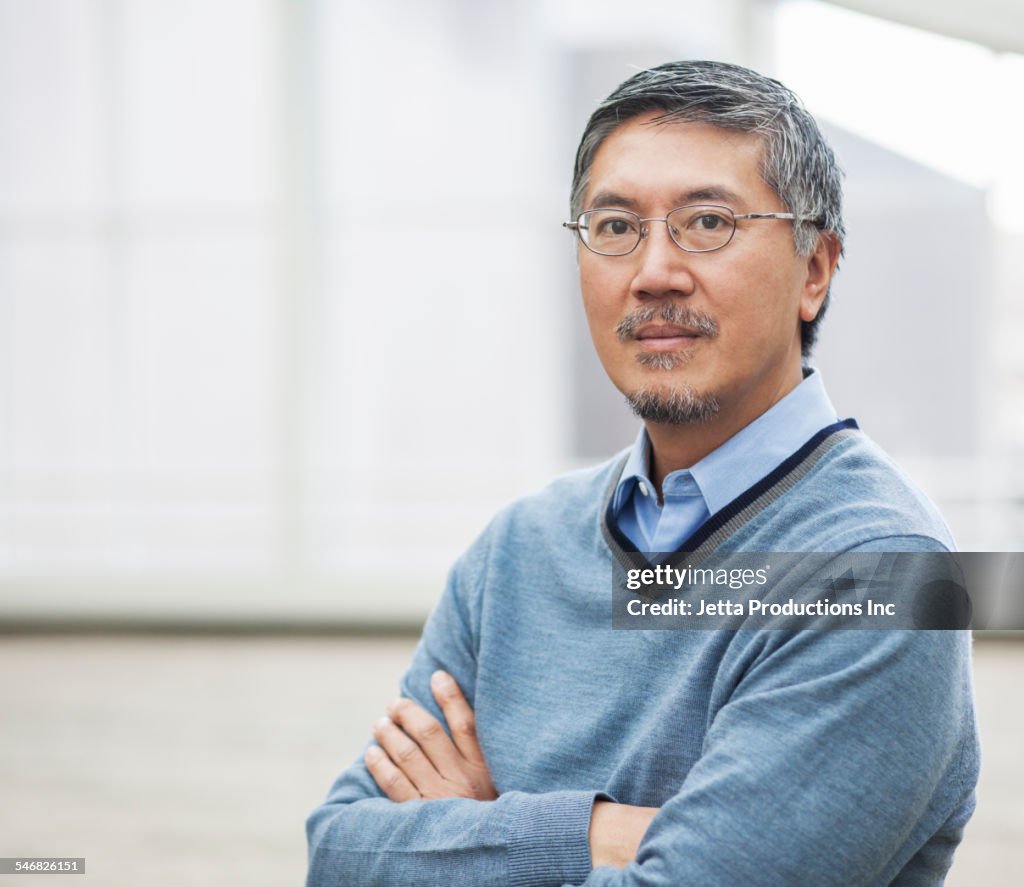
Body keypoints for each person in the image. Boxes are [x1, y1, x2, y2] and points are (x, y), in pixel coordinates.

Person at [305, 60, 979, 886]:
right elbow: (339, 853)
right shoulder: (517, 549)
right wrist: (602, 833)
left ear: (815, 269)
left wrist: (480, 828)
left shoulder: (885, 567)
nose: (653, 271)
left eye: (707, 222)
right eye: (615, 226)